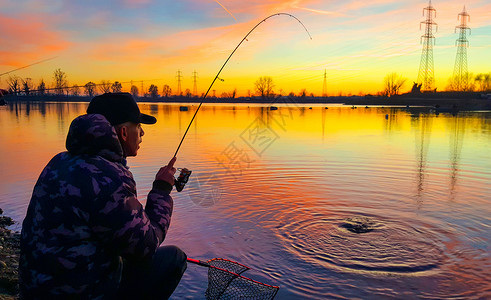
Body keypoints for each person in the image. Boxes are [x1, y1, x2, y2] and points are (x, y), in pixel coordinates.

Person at [19, 92, 187, 299]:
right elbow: (147, 246)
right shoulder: (108, 177)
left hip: (35, 288)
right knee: (174, 258)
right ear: (124, 132)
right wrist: (161, 190)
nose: (142, 133)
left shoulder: (58, 162)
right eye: (138, 126)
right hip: (78, 293)